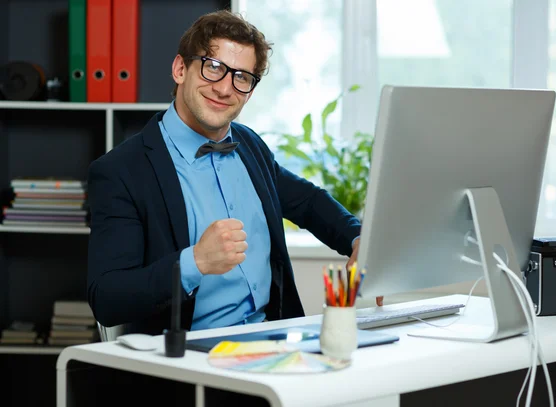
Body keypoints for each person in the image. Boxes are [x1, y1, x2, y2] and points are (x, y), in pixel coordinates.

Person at [87, 9, 382, 336]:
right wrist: (195, 262)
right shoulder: (121, 171)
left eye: (241, 77)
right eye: (213, 68)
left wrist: (359, 239)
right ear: (180, 69)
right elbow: (107, 298)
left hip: (273, 344)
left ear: (250, 90)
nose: (225, 88)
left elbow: (309, 203)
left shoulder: (250, 145)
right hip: (190, 362)